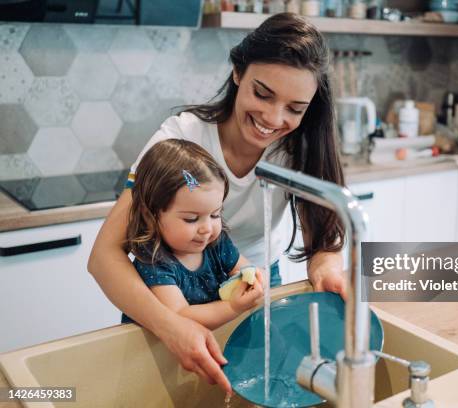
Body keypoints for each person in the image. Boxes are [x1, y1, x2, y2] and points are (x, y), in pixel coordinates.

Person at [88, 12, 346, 392]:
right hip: (167, 292)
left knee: (249, 390)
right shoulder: (181, 138)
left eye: (295, 108)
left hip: (253, 283)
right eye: (262, 93)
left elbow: (323, 243)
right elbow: (103, 257)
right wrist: (170, 324)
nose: (273, 119)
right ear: (238, 72)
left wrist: (326, 268)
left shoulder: (301, 147)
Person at [121, 139, 264, 329]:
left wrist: (254, 279)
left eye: (215, 214)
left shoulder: (216, 244)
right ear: (150, 216)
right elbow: (181, 315)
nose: (207, 228)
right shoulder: (154, 260)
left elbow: (246, 270)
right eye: (191, 219)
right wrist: (232, 307)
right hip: (154, 353)